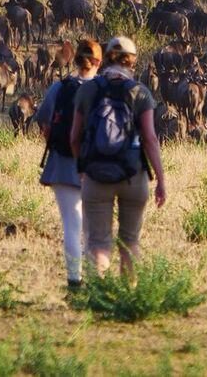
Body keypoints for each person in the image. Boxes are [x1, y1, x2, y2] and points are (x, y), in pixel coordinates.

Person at [67, 36, 167, 278]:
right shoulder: (140, 92)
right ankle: (129, 299)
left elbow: (74, 137)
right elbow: (151, 139)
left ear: (106, 58)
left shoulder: (88, 89)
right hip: (133, 175)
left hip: (96, 175)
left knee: (98, 243)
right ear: (132, 62)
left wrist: (83, 167)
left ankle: (99, 298)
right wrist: (161, 180)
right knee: (130, 242)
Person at [35, 38, 101, 289]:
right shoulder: (104, 90)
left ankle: (75, 282)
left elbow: (43, 120)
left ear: (74, 60)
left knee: (72, 226)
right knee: (94, 229)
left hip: (62, 165)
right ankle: (98, 283)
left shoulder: (60, 88)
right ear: (98, 62)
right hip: (97, 168)